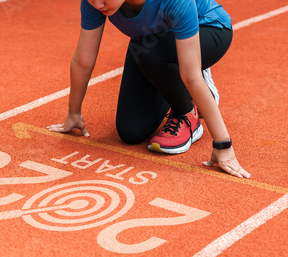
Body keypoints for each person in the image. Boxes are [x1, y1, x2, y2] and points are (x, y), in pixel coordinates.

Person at [47, 0, 250, 178]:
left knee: (151, 53)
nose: (97, 4)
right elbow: (83, 60)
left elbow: (191, 76)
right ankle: (171, 74)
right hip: (151, 42)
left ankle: (188, 114)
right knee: (130, 132)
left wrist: (223, 146)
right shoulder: (95, 2)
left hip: (207, 29)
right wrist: (73, 112)